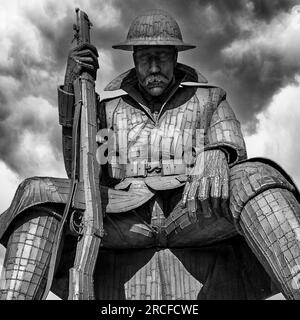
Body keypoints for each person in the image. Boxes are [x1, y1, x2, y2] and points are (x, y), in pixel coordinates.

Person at [0, 9, 300, 300]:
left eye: (162, 58)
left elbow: (233, 145)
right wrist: (72, 86)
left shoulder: (210, 99)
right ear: (133, 60)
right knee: (37, 192)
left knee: (255, 175)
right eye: (146, 59)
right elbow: (81, 174)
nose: (154, 68)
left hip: (194, 210)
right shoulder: (106, 110)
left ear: (175, 57)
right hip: (125, 217)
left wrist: (218, 152)